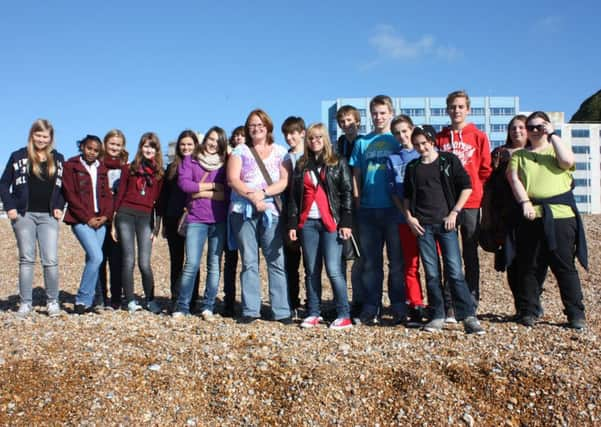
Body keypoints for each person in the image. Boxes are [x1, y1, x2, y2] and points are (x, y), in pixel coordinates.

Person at [507, 111, 587, 330]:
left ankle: (575, 313)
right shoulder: (519, 156)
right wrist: (524, 202)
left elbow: (567, 161)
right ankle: (529, 311)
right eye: (530, 127)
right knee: (530, 265)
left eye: (539, 126)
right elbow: (514, 180)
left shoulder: (556, 149)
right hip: (532, 214)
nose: (534, 131)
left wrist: (553, 135)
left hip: (561, 215)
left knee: (564, 266)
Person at [402, 127, 485, 334]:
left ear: (432, 141)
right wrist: (409, 218)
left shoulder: (448, 161)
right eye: (417, 144)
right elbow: (406, 196)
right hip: (423, 227)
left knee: (455, 271)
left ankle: (468, 316)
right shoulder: (412, 167)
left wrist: (455, 212)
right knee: (431, 273)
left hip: (445, 224)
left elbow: (466, 186)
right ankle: (437, 314)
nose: (422, 147)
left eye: (424, 143)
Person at [227, 109, 291, 324]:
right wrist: (253, 199)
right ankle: (250, 309)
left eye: (260, 125)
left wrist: (263, 194)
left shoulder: (281, 152)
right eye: (252, 125)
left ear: (268, 127)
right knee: (249, 261)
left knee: (276, 260)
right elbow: (233, 179)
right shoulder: (240, 150)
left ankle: (281, 310)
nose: (256, 128)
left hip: (271, 210)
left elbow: (283, 181)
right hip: (243, 210)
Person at [287, 123, 353, 329]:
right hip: (308, 222)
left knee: (334, 269)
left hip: (331, 221)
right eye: (311, 138)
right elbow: (294, 197)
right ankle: (314, 312)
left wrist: (347, 221)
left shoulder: (337, 161)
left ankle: (344, 314)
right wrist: (292, 223)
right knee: (311, 270)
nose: (315, 141)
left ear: (325, 139)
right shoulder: (301, 164)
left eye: (318, 137)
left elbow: (347, 191)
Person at [480, 115, 546, 317]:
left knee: (535, 260)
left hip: (533, 212)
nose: (517, 131)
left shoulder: (538, 152)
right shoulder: (499, 153)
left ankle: (532, 302)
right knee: (512, 261)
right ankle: (521, 305)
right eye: (513, 128)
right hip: (506, 215)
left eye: (521, 127)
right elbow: (488, 183)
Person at [349, 95, 406, 325]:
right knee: (371, 263)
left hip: (394, 209)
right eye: (375, 113)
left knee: (397, 262)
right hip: (368, 209)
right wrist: (357, 200)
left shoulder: (397, 140)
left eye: (383, 113)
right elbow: (356, 174)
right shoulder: (362, 143)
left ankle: (399, 304)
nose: (379, 117)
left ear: (390, 113)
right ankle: (372, 306)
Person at [0, 119, 65, 318]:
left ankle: (53, 302)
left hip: (48, 217)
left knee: (51, 260)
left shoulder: (58, 158)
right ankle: (25, 303)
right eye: (38, 135)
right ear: (32, 135)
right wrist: (10, 207)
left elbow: (63, 188)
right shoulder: (18, 156)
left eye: (45, 136)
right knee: (26, 259)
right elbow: (3, 184)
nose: (41, 139)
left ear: (50, 138)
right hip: (24, 215)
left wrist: (59, 206)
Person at [436, 90, 492, 314]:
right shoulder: (440, 138)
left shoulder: (478, 136)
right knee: (449, 254)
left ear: (467, 109)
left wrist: (474, 190)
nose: (456, 110)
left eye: (460, 107)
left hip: (471, 201)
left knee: (470, 251)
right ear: (447, 109)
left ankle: (470, 299)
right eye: (452, 106)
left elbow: (485, 169)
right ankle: (449, 302)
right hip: (445, 203)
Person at [172, 127, 229, 320]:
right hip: (196, 219)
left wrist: (200, 192)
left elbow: (227, 194)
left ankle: (208, 306)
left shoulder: (225, 163)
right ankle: (182, 306)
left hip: (218, 220)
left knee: (214, 265)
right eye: (211, 139)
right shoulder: (191, 160)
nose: (213, 143)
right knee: (191, 263)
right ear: (205, 140)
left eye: (217, 141)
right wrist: (212, 187)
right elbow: (185, 185)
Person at [112, 132, 164, 313]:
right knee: (128, 260)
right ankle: (131, 300)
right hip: (125, 214)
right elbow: (119, 195)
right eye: (145, 145)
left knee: (144, 262)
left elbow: (159, 203)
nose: (148, 149)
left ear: (157, 150)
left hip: (145, 218)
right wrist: (113, 222)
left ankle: (150, 300)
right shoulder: (129, 168)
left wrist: (156, 229)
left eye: (152, 146)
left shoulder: (158, 174)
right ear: (140, 147)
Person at [62, 135, 114, 314]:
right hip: (80, 220)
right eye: (89, 148)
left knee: (92, 259)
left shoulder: (102, 168)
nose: (92, 152)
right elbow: (70, 195)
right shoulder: (71, 166)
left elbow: (107, 194)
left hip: (101, 220)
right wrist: (87, 218)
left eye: (96, 150)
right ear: (82, 147)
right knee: (97, 257)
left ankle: (93, 299)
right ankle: (82, 299)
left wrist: (106, 216)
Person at [386, 115, 425, 325]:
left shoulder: (422, 152)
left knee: (434, 263)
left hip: (428, 217)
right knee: (410, 265)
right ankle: (415, 304)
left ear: (412, 130)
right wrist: (407, 216)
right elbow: (394, 192)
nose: (402, 136)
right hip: (404, 219)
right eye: (397, 133)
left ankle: (439, 305)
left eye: (405, 131)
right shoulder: (393, 159)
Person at [159, 130, 200, 310]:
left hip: (193, 217)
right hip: (172, 217)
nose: (186, 147)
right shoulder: (171, 168)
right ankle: (176, 297)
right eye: (183, 144)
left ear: (196, 146)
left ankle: (191, 298)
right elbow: (164, 195)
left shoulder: (199, 165)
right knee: (176, 260)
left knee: (192, 260)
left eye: (190, 144)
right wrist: (162, 223)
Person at [335, 105, 364, 318]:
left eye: (349, 120)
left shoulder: (364, 143)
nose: (346, 125)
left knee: (361, 255)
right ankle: (342, 300)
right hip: (342, 206)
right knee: (343, 255)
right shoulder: (339, 146)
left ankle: (360, 298)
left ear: (357, 121)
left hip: (362, 203)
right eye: (342, 122)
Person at [98, 129, 128, 309]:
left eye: (118, 144)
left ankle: (117, 297)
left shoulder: (125, 166)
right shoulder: (97, 164)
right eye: (112, 144)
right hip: (100, 217)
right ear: (105, 144)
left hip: (118, 218)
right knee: (98, 258)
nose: (115, 147)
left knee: (117, 259)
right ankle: (101, 295)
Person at [281, 116, 305, 314]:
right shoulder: (285, 158)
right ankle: (293, 302)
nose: (289, 137)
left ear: (302, 133)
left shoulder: (313, 155)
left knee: (314, 264)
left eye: (293, 133)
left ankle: (314, 303)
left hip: (312, 214)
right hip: (290, 214)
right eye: (286, 134)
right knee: (291, 262)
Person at [222, 126, 245, 317]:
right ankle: (229, 301)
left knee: (250, 261)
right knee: (229, 260)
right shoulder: (227, 158)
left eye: (242, 135)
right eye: (236, 135)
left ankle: (248, 302)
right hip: (228, 212)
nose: (239, 138)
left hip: (248, 212)